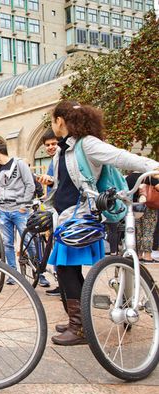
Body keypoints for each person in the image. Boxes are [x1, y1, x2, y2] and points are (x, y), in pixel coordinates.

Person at [46, 100, 159, 345]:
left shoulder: (87, 144)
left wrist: (153, 166)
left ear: (60, 120)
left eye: (53, 120)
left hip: (81, 216)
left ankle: (80, 328)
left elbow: (120, 156)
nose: (52, 125)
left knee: (65, 269)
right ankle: (78, 320)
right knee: (66, 269)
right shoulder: (63, 150)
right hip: (66, 216)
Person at [0, 140, 50, 287]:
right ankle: (12, 273)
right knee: (7, 243)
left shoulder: (19, 164)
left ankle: (39, 273)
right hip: (3, 210)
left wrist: (24, 205)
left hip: (20, 210)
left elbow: (30, 185)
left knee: (28, 241)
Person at [36, 130, 63, 296]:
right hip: (56, 206)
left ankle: (64, 285)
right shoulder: (55, 159)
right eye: (47, 145)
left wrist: (51, 181)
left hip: (62, 209)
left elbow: (61, 181)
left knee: (59, 246)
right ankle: (62, 283)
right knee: (55, 245)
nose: (51, 147)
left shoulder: (61, 157)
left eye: (54, 143)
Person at [126, 171, 159, 262]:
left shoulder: (129, 178)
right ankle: (147, 255)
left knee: (137, 231)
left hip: (134, 207)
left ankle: (138, 254)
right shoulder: (148, 177)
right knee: (148, 231)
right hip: (149, 207)